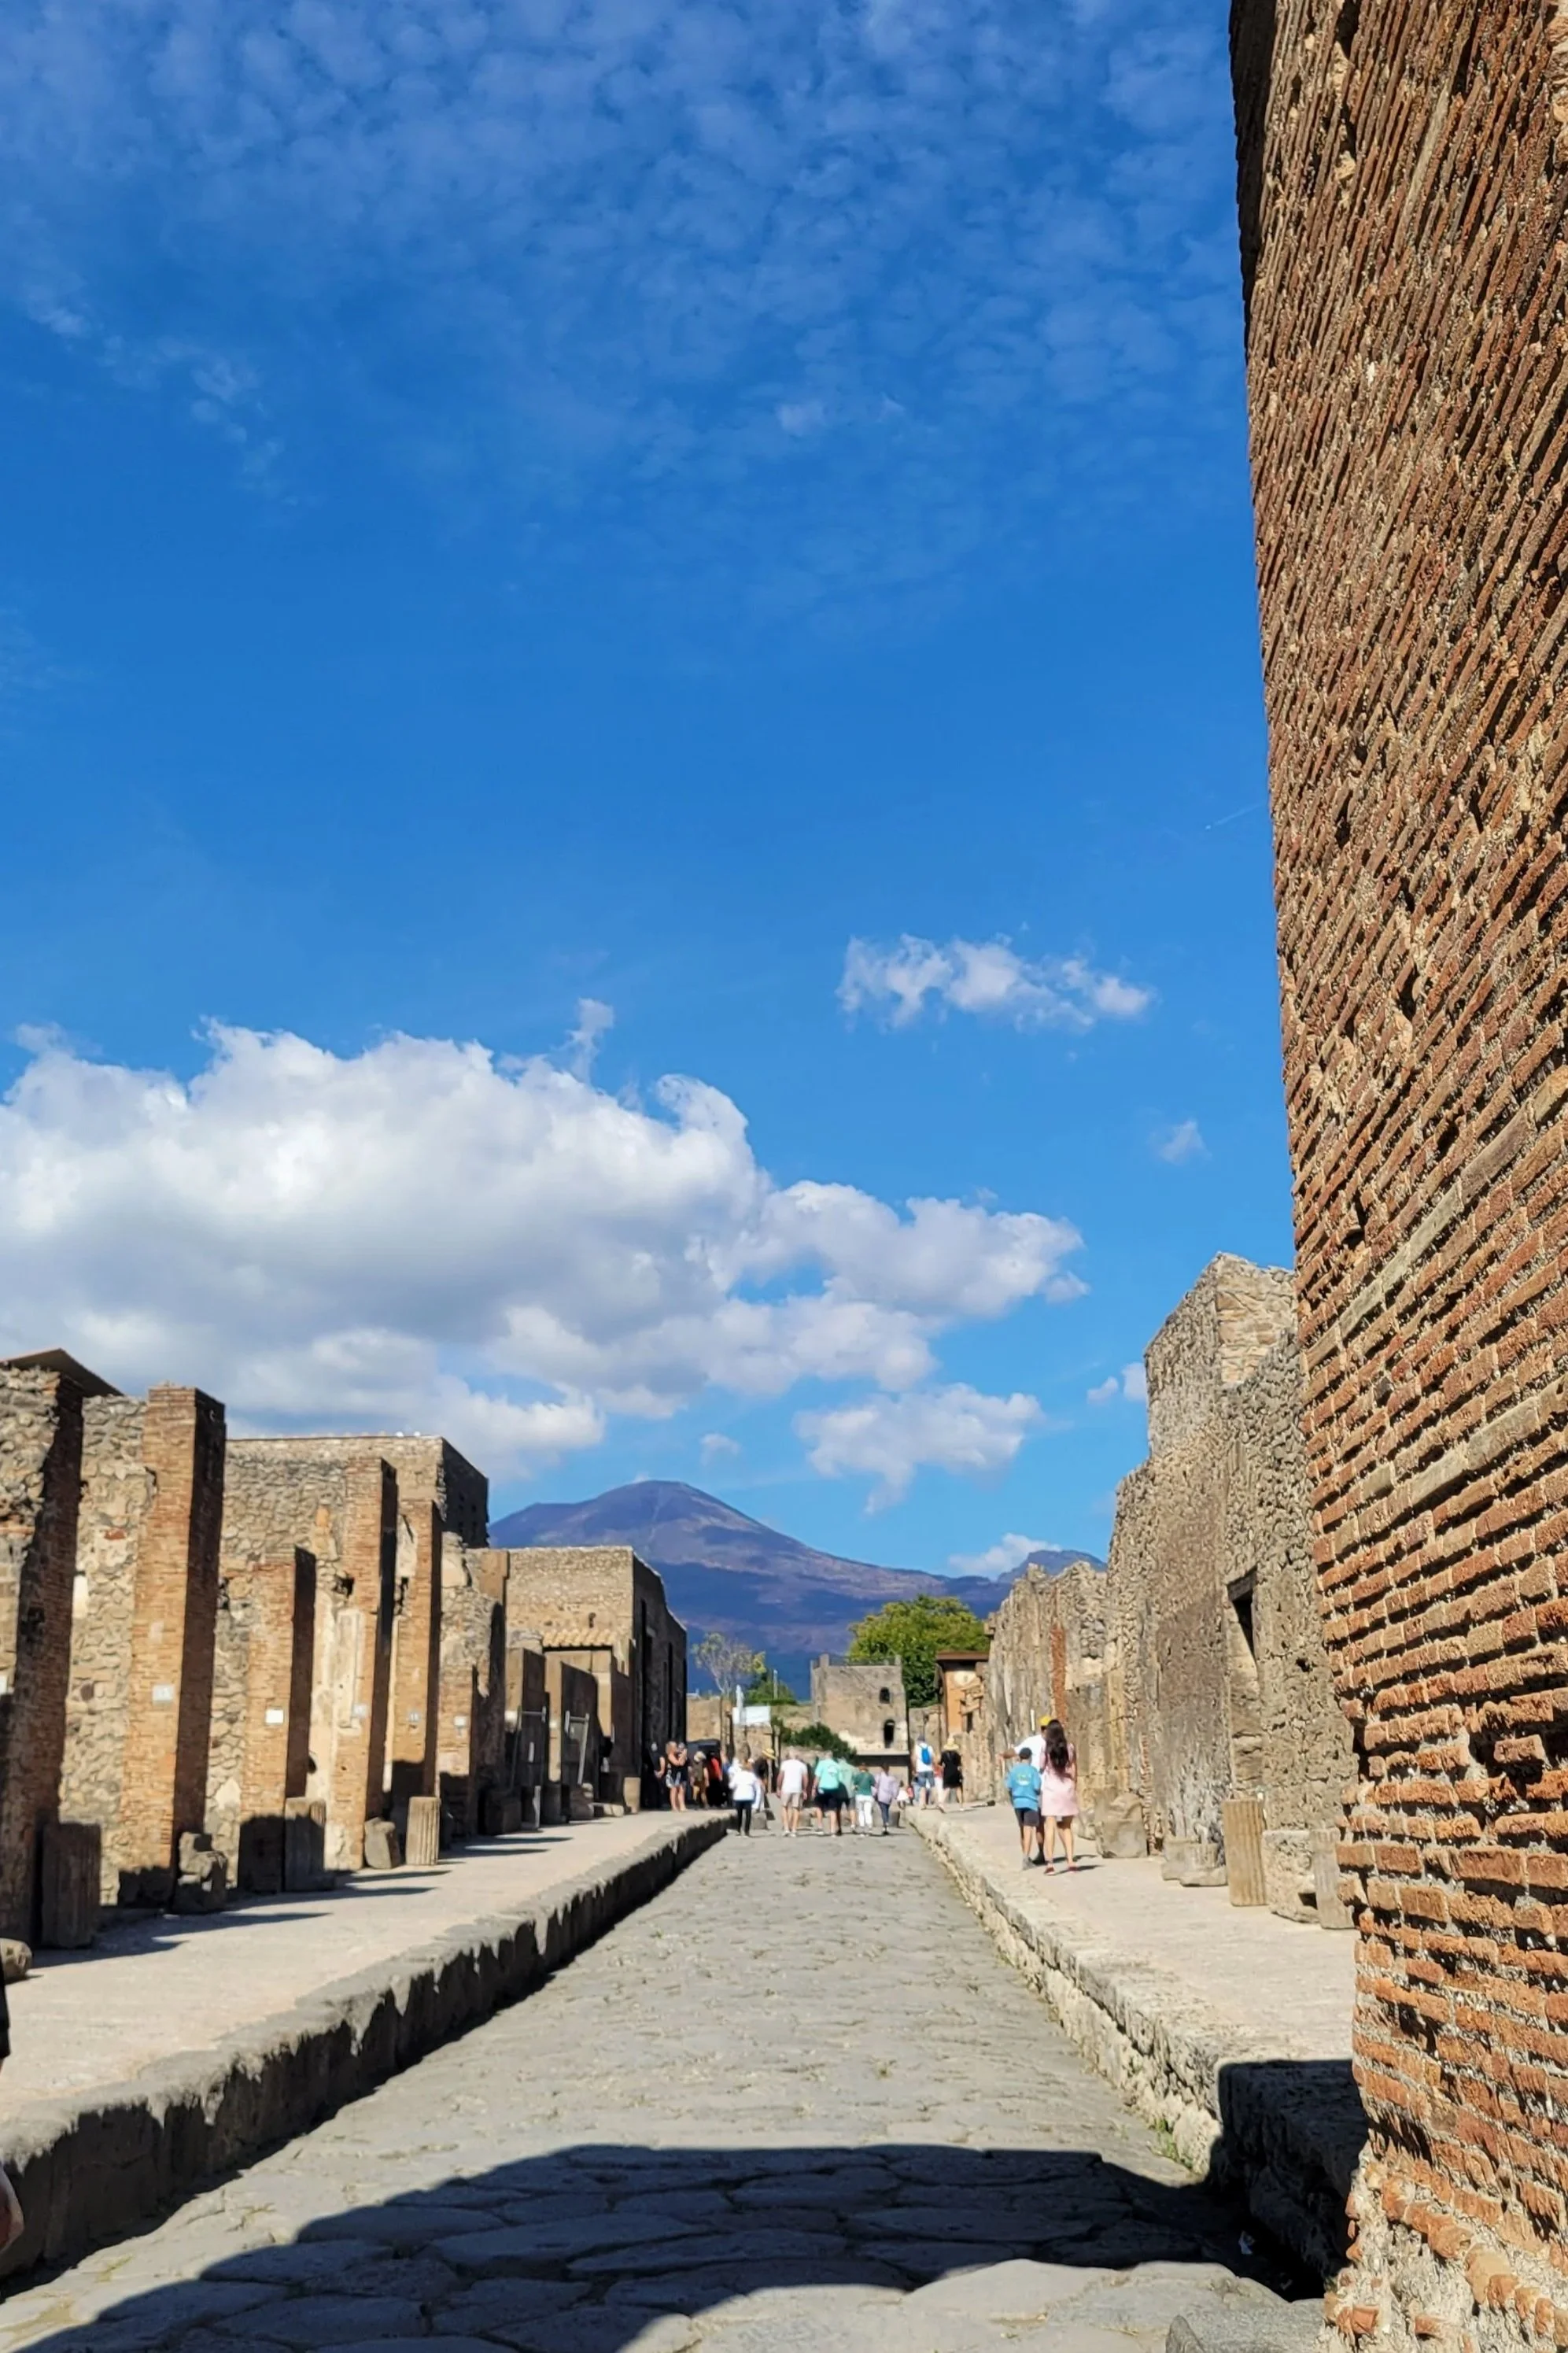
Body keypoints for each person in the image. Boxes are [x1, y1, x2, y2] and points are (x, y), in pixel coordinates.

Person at [1039, 1717, 1079, 1871]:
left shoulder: (1046, 1748)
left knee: (1050, 1826)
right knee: (1067, 1827)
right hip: (1067, 1788)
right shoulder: (1070, 1748)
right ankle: (1070, 1860)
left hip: (1051, 1790)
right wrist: (1074, 1786)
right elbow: (1074, 1769)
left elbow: (1041, 1767)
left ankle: (1050, 1863)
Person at [1005, 1743, 1042, 1865]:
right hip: (1030, 1802)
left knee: (1022, 1830)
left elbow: (1009, 1787)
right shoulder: (1033, 1771)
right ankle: (1026, 1858)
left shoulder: (1014, 1771)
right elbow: (1037, 1787)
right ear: (1030, 1758)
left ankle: (1025, 1854)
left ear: (1020, 1758)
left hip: (1017, 1803)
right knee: (1028, 1829)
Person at [813, 1752, 848, 1835]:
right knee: (833, 1809)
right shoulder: (837, 1766)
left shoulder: (821, 1763)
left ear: (825, 1756)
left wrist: (814, 1787)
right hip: (834, 1788)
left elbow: (818, 1776)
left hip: (823, 1788)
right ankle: (832, 1830)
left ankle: (820, 1827)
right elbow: (840, 1780)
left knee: (819, 1807)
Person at [777, 1749, 809, 1838]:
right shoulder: (802, 1765)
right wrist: (805, 1789)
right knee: (796, 1808)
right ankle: (794, 1829)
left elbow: (780, 1776)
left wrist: (778, 1787)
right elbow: (805, 1779)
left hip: (786, 1788)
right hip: (797, 1788)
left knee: (784, 1807)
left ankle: (786, 1828)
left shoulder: (785, 1764)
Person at [729, 1752, 761, 1834]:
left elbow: (731, 1786)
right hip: (749, 1797)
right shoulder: (752, 1776)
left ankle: (738, 1830)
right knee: (748, 1815)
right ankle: (747, 1831)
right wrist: (757, 1804)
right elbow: (757, 1788)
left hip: (738, 1797)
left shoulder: (737, 1776)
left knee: (739, 1814)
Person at [910, 1734, 937, 1806]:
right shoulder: (930, 1747)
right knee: (933, 1786)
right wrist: (934, 1768)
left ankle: (923, 1803)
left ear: (919, 1741)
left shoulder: (917, 1747)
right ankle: (937, 1802)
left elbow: (914, 1759)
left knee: (922, 1787)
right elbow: (934, 1759)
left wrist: (914, 1769)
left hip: (921, 1770)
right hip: (930, 1769)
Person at [663, 1738, 688, 1812]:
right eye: (675, 1747)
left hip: (677, 1775)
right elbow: (677, 1763)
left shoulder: (677, 1755)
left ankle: (681, 1806)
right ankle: (674, 1807)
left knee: (681, 1789)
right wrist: (683, 1755)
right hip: (671, 1775)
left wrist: (683, 1755)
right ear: (671, 1748)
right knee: (673, 1789)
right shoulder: (670, 1755)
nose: (677, 1748)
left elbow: (682, 1763)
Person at [872, 1765, 898, 1834]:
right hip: (889, 1797)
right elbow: (895, 1788)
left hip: (881, 1796)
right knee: (886, 1810)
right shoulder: (892, 1778)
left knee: (884, 1811)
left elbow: (875, 1786)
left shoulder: (879, 1777)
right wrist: (895, 1795)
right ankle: (886, 1826)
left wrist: (874, 1794)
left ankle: (885, 1824)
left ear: (882, 1769)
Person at [850, 1762, 876, 1833]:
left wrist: (856, 1788)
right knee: (868, 1812)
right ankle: (870, 1827)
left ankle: (862, 1827)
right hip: (868, 1796)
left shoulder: (857, 1776)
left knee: (861, 1812)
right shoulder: (870, 1776)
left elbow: (853, 1786)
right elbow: (874, 1785)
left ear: (860, 1768)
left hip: (860, 1796)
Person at [938, 1744, 964, 1809]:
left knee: (947, 1788)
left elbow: (940, 1763)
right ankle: (961, 1805)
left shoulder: (943, 1754)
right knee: (958, 1788)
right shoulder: (957, 1754)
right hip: (955, 1772)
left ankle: (941, 1802)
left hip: (947, 1772)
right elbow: (959, 1764)